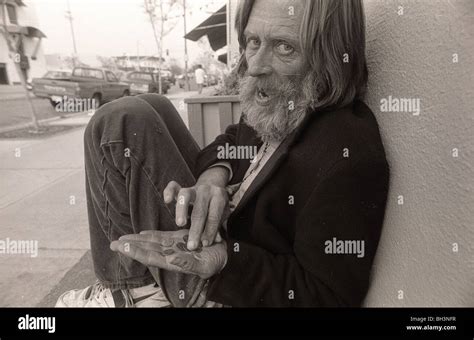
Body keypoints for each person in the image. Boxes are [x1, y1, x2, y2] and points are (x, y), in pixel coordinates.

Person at [56, 0, 389, 307]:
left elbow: (327, 297)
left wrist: (226, 260)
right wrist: (214, 175)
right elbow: (234, 136)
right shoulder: (282, 100)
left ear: (331, 55)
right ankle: (137, 290)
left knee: (119, 122)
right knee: (154, 104)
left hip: (227, 289)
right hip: (222, 235)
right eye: (253, 42)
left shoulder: (347, 154)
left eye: (284, 47)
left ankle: (135, 292)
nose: (255, 65)